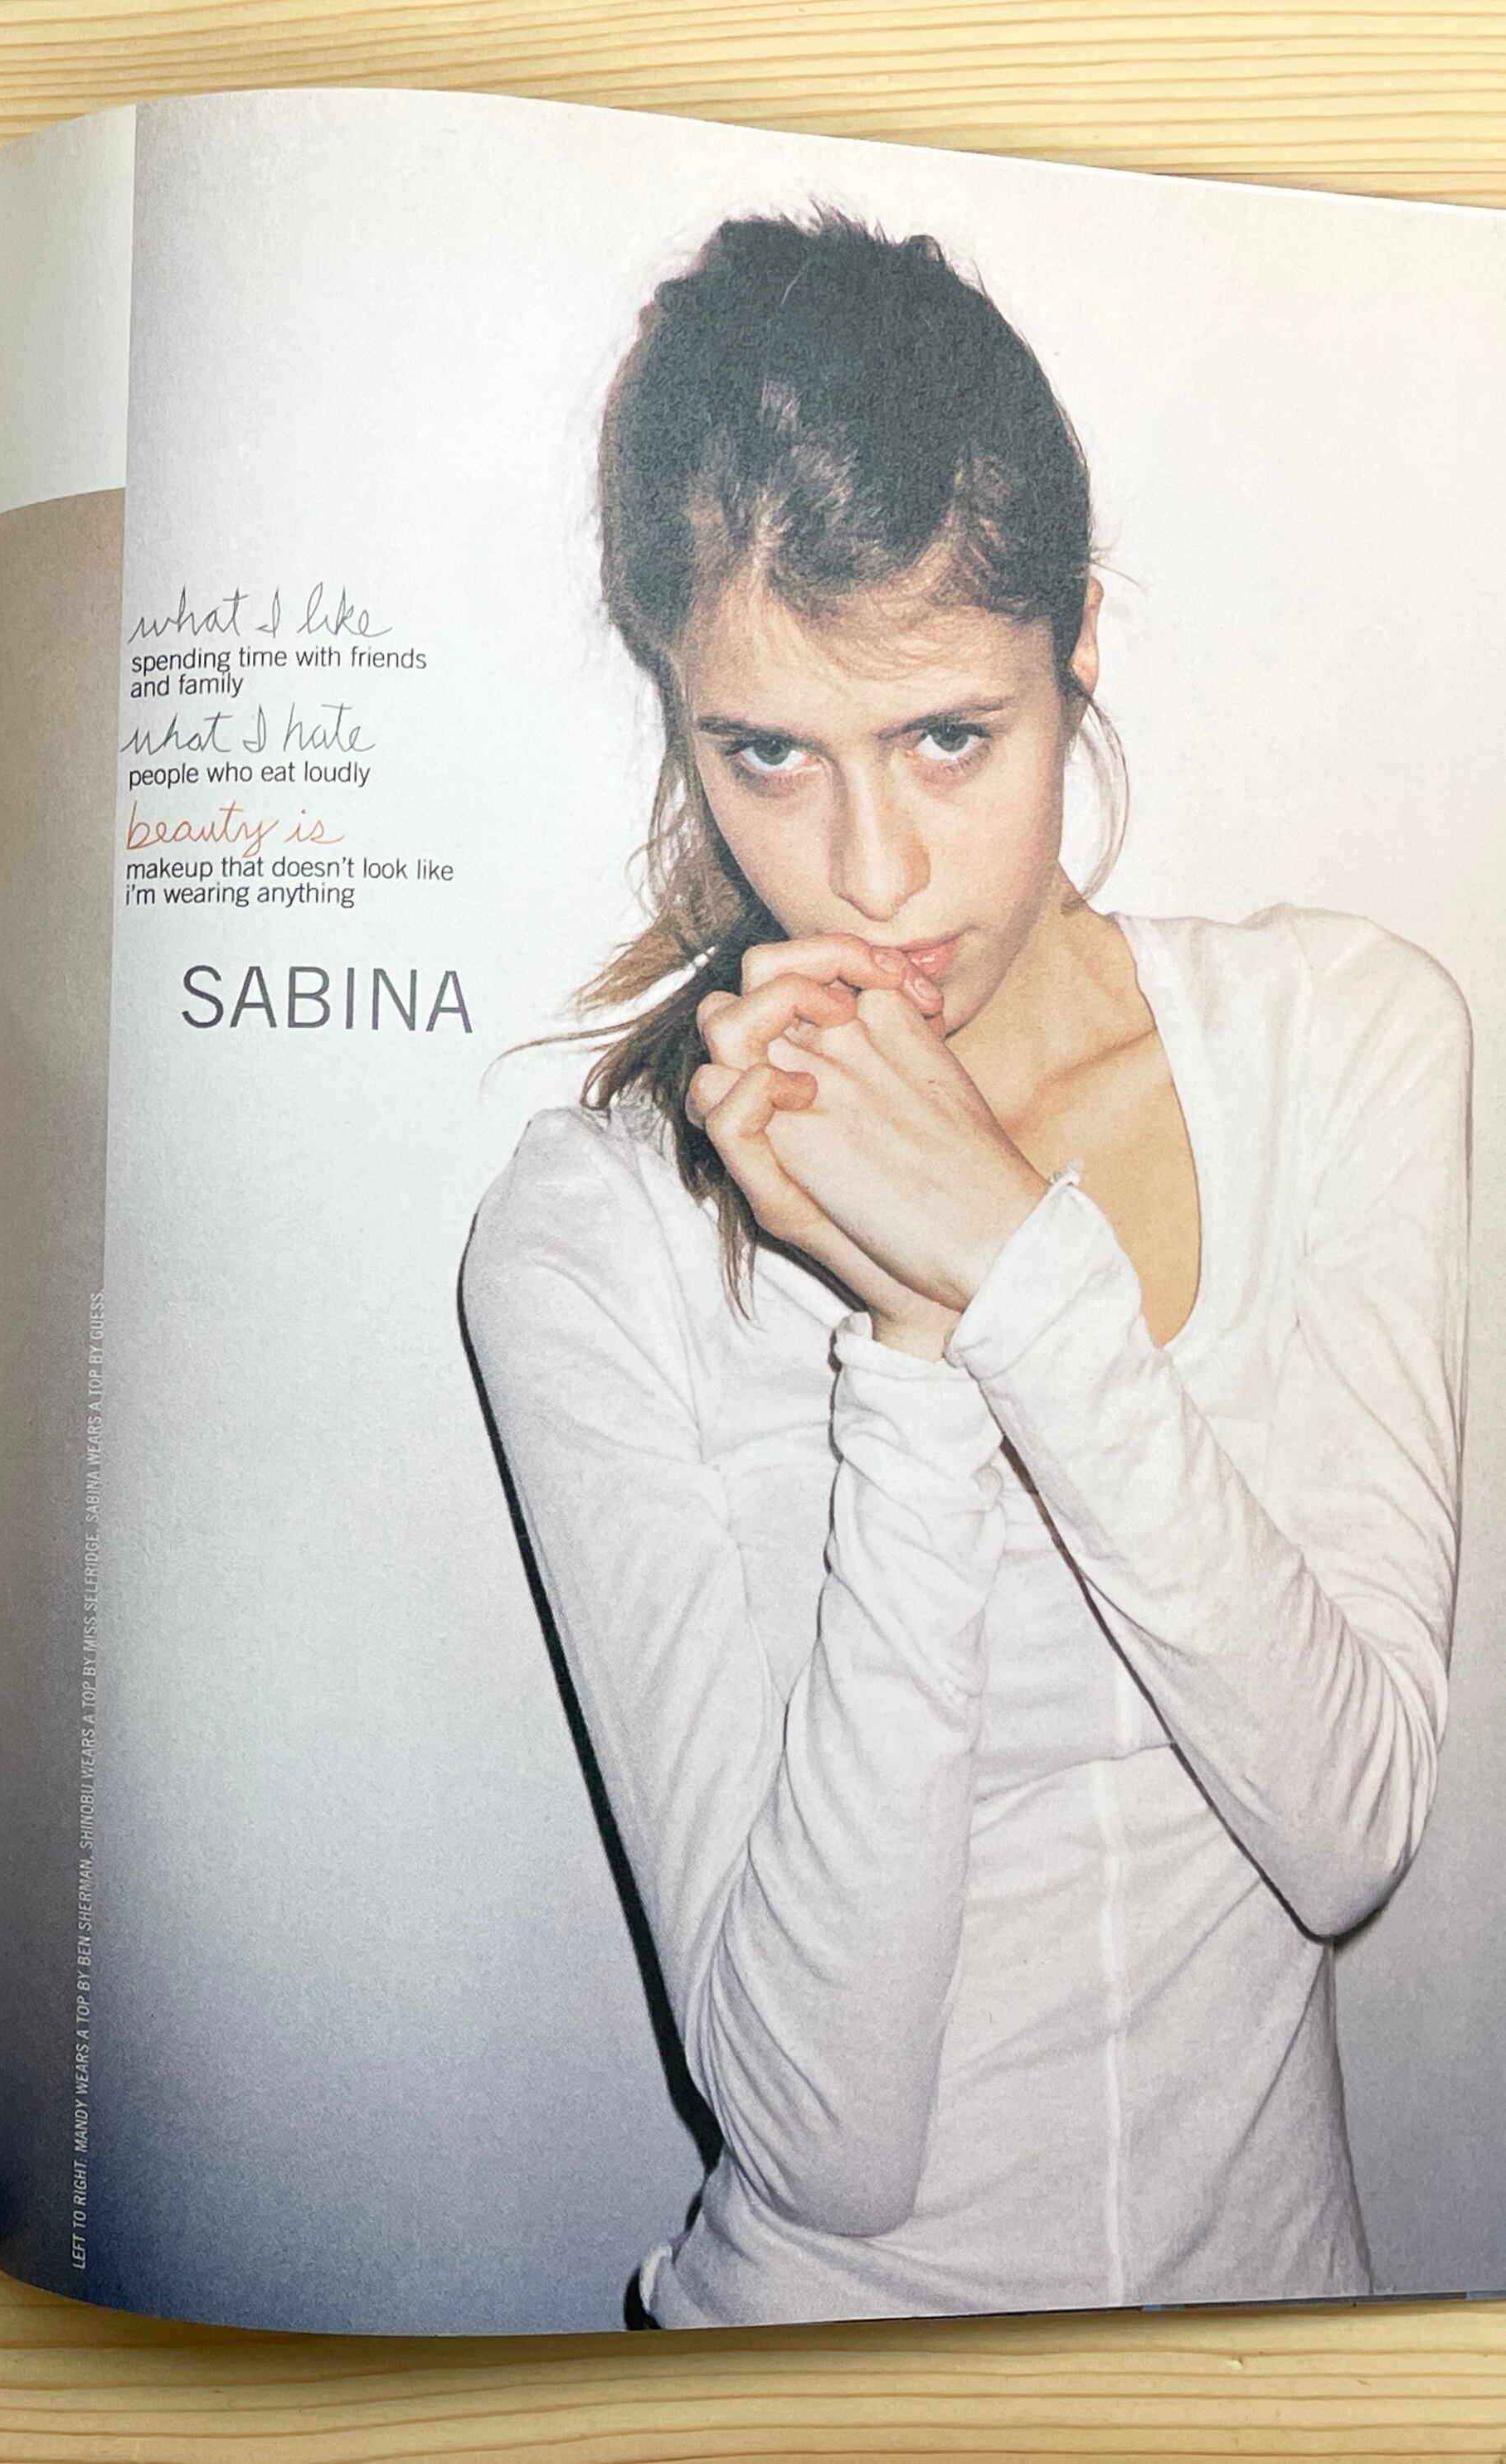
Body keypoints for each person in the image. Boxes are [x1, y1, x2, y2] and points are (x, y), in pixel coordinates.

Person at [462, 212, 1468, 2326]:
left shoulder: (1344, 1039)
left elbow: (1345, 1824)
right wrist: (918, 1349)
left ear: (1075, 642)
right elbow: (822, 2135)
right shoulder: (589, 1234)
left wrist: (1015, 1261)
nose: (871, 872)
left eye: (945, 736)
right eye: (765, 753)